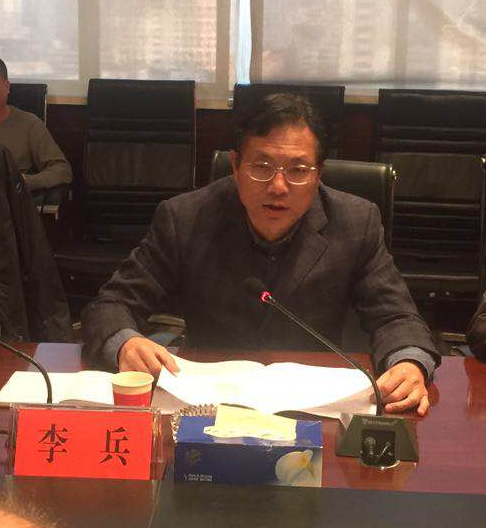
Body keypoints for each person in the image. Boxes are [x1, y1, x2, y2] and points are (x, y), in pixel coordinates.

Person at [82, 92, 440, 416]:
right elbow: (110, 305)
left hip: (315, 408)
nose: (278, 186)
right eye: (262, 167)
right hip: (207, 407)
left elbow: (396, 317)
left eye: (298, 170)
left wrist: (409, 362)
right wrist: (125, 343)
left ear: (318, 174)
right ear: (236, 166)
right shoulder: (185, 218)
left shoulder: (356, 222)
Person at [0, 58, 72, 193]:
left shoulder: (29, 124)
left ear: (7, 86)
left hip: (11, 200)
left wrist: (25, 181)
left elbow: (62, 170)